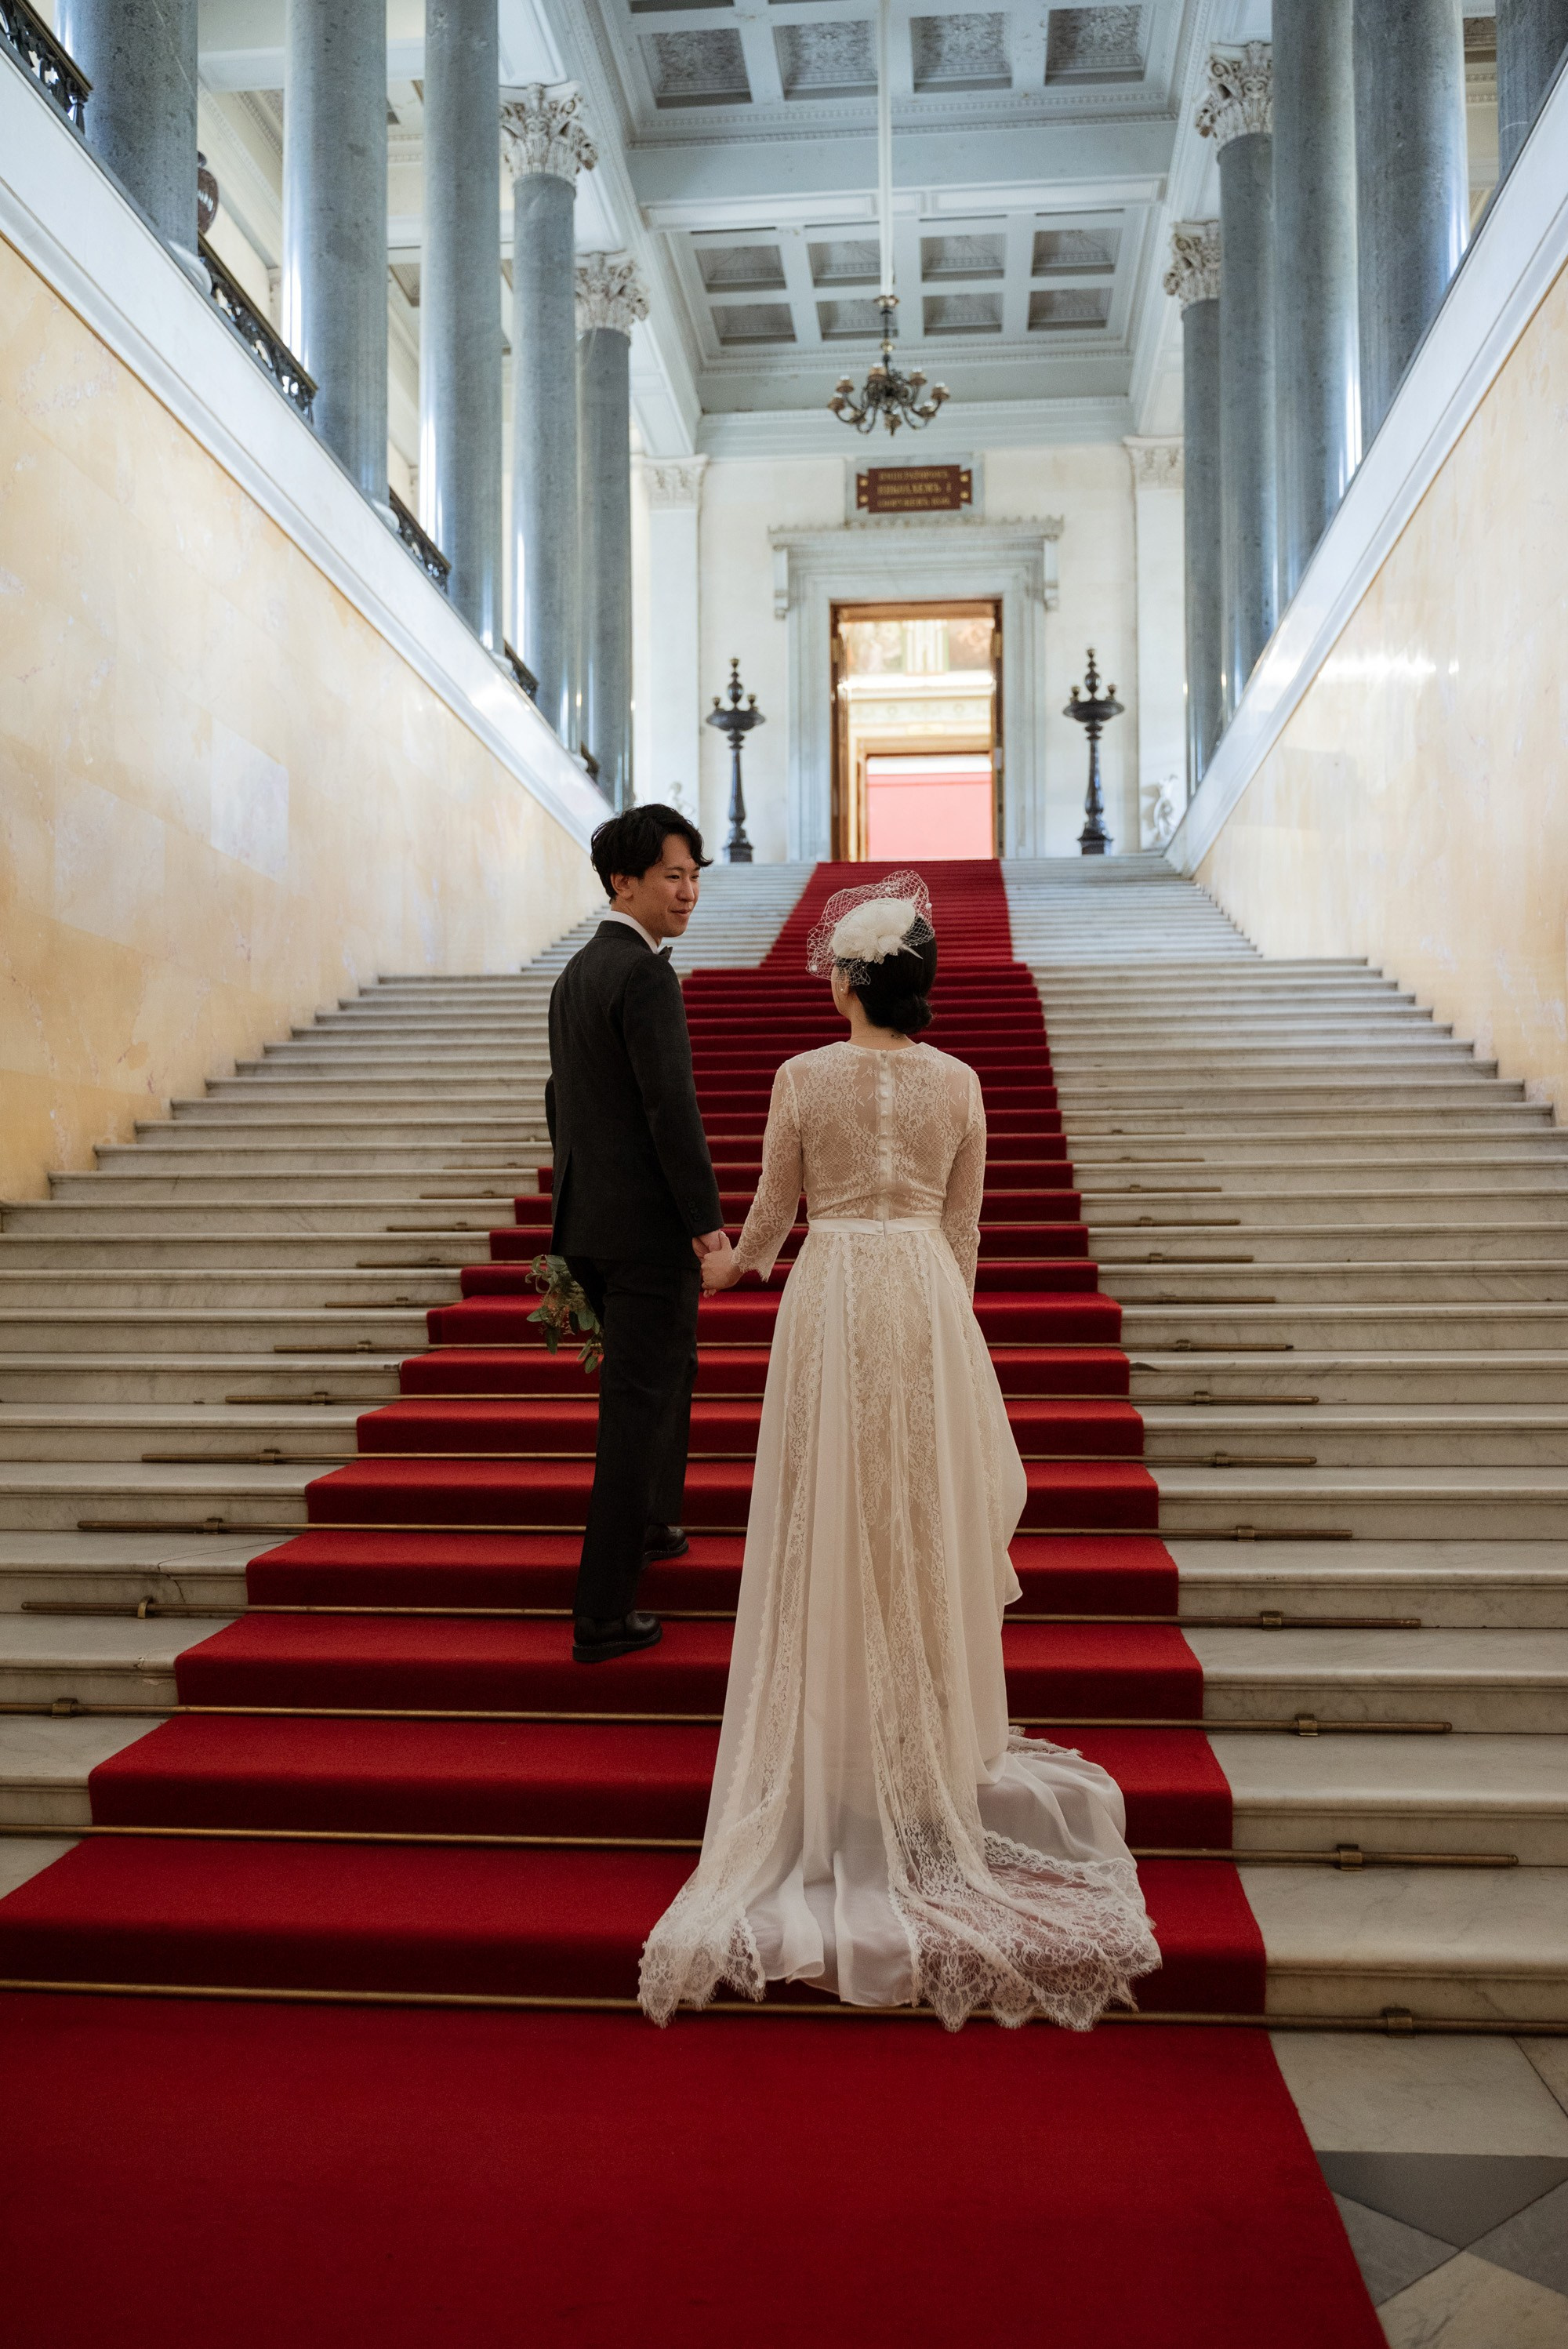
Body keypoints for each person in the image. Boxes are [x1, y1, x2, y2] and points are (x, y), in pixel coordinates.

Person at [638, 871, 1160, 2029]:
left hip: (830, 1300)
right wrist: (947, 1332)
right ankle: (919, 1749)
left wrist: (720, 1266)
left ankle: (827, 1760)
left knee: (835, 1514)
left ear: (846, 981)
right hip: (925, 1301)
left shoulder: (800, 1076)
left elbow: (773, 1218)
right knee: (917, 1515)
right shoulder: (963, 1081)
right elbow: (964, 1227)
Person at [545, 805, 735, 1664]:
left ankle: (656, 1519)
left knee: (667, 1376)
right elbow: (672, 1111)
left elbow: (560, 1104)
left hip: (591, 1221)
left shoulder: (577, 972)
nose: (688, 891)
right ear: (623, 881)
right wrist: (705, 1226)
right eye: (672, 875)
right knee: (635, 1408)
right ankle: (602, 1613)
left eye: (695, 874)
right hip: (646, 1233)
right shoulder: (647, 977)